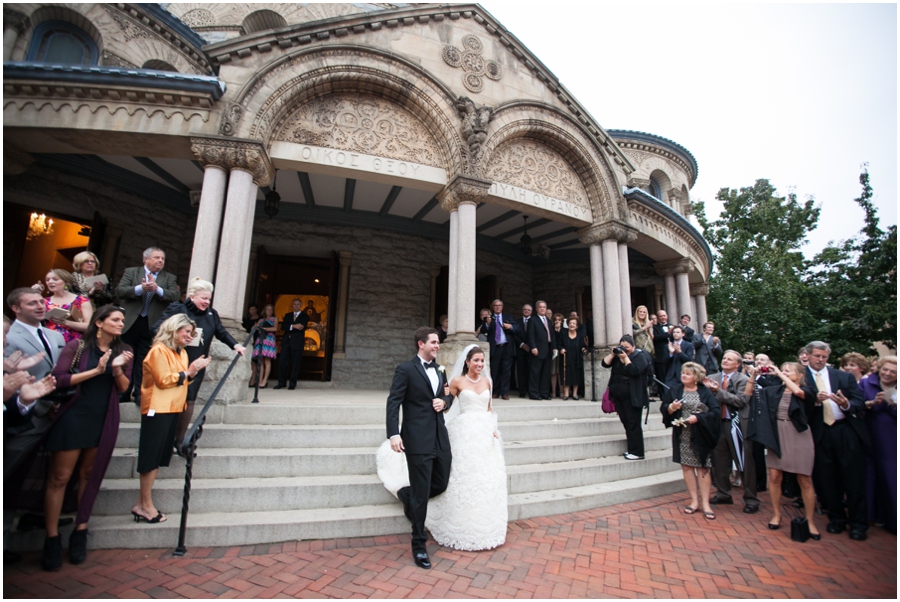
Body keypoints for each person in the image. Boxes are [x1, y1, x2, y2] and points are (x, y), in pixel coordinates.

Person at [44, 306, 134, 569]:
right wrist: (96, 370)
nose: (120, 323)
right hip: (74, 415)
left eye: (122, 320)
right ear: (99, 323)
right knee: (59, 477)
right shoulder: (77, 347)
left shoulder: (124, 349)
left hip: (104, 415)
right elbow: (59, 379)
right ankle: (51, 538)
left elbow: (124, 389)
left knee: (88, 474)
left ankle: (80, 530)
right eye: (115, 319)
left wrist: (117, 369)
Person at [419, 345, 507, 550]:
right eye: (476, 360)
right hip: (465, 431)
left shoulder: (487, 382)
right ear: (467, 362)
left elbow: (489, 408)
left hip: (484, 433)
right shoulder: (457, 381)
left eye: (482, 361)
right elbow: (449, 403)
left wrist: (494, 428)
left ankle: (487, 525)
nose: (480, 364)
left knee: (486, 478)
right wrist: (442, 400)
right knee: (464, 475)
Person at [384, 327, 453, 569]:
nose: (437, 346)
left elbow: (449, 396)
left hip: (439, 437)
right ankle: (419, 544)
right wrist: (393, 433)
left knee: (441, 482)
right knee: (422, 492)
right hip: (417, 439)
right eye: (433, 342)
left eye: (438, 343)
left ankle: (407, 495)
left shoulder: (440, 369)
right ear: (420, 344)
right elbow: (393, 402)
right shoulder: (405, 370)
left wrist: (444, 402)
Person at [132, 314, 210, 525]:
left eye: (191, 333)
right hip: (157, 408)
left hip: (173, 408)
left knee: (158, 457)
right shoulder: (158, 350)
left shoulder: (181, 353)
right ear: (173, 330)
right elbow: (164, 380)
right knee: (150, 457)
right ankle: (145, 505)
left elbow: (181, 379)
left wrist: (193, 371)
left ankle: (142, 504)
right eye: (186, 332)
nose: (189, 336)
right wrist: (190, 371)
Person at [153, 278, 245, 445]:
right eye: (203, 298)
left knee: (189, 400)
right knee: (173, 398)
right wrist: (179, 336)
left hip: (196, 364)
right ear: (192, 296)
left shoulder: (212, 314)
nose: (206, 302)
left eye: (209, 299)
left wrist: (236, 345)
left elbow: (222, 333)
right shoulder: (177, 309)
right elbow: (157, 329)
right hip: (175, 361)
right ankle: (163, 438)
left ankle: (180, 440)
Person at [745, 362, 820, 539]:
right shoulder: (775, 390)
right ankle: (776, 514)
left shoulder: (808, 390)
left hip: (798, 434)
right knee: (775, 476)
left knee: (804, 479)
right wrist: (752, 376)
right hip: (777, 434)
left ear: (799, 375)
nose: (784, 372)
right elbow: (748, 394)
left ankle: (810, 520)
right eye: (783, 369)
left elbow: (799, 393)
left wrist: (778, 373)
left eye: (788, 371)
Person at [805, 341, 868, 540]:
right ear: (808, 355)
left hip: (845, 431)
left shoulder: (843, 377)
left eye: (824, 357)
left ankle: (858, 523)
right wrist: (814, 401)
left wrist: (847, 404)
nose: (821, 360)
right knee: (828, 479)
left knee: (853, 478)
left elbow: (860, 402)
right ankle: (837, 519)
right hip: (820, 432)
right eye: (817, 356)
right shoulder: (801, 378)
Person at [4, 288, 66, 480]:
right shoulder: (8, 335)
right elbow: (8, 380)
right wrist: (35, 405)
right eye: (32, 303)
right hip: (26, 413)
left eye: (41, 302)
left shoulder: (56, 335)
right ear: (16, 308)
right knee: (9, 466)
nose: (40, 306)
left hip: (57, 406)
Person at [116, 247, 180, 405]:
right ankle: (123, 392)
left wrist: (157, 289)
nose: (160, 261)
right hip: (130, 322)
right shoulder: (131, 272)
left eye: (162, 259)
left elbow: (175, 295)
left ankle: (140, 393)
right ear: (145, 259)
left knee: (144, 360)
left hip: (152, 324)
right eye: (156, 258)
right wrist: (140, 289)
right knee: (127, 357)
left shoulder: (169, 277)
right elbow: (119, 291)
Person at [661, 362, 720, 520]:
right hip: (683, 434)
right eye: (683, 373)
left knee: (703, 467)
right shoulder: (675, 389)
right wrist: (671, 408)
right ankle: (694, 501)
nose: (684, 375)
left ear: (696, 377)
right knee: (687, 466)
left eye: (688, 373)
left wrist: (698, 418)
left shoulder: (704, 392)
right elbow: (664, 407)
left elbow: (715, 411)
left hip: (701, 434)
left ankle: (706, 503)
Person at [706, 350, 758, 513]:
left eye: (730, 359)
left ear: (738, 364)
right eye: (724, 358)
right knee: (719, 462)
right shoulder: (712, 378)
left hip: (736, 425)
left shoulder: (743, 380)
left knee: (744, 462)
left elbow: (741, 401)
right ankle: (723, 494)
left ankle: (751, 499)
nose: (725, 360)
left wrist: (717, 392)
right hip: (717, 425)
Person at [859, 356, 897, 534]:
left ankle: (892, 519)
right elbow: (856, 405)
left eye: (893, 372)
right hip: (870, 433)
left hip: (891, 437)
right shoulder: (866, 384)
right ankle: (871, 515)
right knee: (869, 473)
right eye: (885, 369)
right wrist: (870, 403)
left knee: (890, 475)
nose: (888, 374)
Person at [602, 335, 651, 460]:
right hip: (619, 395)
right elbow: (605, 364)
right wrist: (613, 354)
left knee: (633, 423)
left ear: (633, 346)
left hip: (633, 396)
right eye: (622, 347)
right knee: (626, 422)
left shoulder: (640, 356)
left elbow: (634, 371)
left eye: (627, 347)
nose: (624, 349)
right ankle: (632, 449)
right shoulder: (618, 356)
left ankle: (638, 452)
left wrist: (625, 358)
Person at [40, 269, 92, 343]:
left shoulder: (82, 300)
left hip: (73, 343)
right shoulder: (44, 301)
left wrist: (65, 322)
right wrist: (37, 293)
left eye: (55, 279)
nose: (50, 282)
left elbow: (89, 327)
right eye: (47, 280)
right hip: (50, 341)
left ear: (66, 282)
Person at [479, 299, 514, 400]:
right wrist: (487, 324)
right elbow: (483, 330)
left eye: (499, 305)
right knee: (495, 371)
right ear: (493, 307)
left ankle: (505, 393)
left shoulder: (508, 317)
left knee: (506, 371)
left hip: (506, 347)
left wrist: (510, 326)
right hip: (495, 348)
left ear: (502, 307)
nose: (498, 307)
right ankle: (495, 391)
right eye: (495, 306)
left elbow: (517, 328)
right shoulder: (489, 318)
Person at [275, 299, 309, 390]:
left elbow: (302, 327)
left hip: (297, 343)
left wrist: (290, 326)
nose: (296, 306)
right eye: (294, 304)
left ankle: (292, 384)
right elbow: (283, 327)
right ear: (292, 305)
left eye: (298, 304)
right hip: (286, 342)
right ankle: (281, 382)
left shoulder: (304, 316)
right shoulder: (287, 315)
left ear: (301, 305)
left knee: (295, 364)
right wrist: (294, 326)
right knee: (282, 362)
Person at [526, 300, 556, 400]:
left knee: (546, 373)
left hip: (548, 349)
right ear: (537, 309)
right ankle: (533, 393)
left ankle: (544, 393)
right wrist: (533, 347)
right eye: (540, 307)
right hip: (537, 350)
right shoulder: (533, 320)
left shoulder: (549, 321)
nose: (542, 309)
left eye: (544, 307)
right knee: (535, 373)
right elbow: (530, 335)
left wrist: (554, 347)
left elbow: (552, 335)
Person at [559, 316, 587, 400]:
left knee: (576, 376)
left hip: (577, 358)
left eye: (574, 323)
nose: (572, 325)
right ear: (567, 324)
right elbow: (559, 344)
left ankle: (575, 394)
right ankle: (566, 394)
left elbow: (583, 345)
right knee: (566, 376)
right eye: (570, 323)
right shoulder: (563, 333)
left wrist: (583, 349)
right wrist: (561, 349)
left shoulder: (580, 335)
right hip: (566, 358)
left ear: (577, 325)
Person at [251, 304, 278, 389]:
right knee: (260, 360)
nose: (269, 311)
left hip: (269, 339)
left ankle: (264, 380)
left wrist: (263, 328)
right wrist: (256, 326)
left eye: (271, 309)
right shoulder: (261, 320)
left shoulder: (275, 319)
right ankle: (259, 380)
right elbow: (254, 328)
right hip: (261, 339)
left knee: (267, 361)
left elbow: (275, 328)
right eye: (267, 309)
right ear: (264, 311)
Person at [512, 304, 533, 398]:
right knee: (521, 371)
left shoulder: (535, 321)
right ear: (522, 311)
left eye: (528, 310)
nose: (526, 311)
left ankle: (531, 390)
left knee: (532, 371)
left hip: (532, 350)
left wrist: (532, 346)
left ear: (531, 312)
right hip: (520, 350)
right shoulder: (517, 322)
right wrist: (522, 344)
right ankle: (522, 391)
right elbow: (514, 335)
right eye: (525, 309)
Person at [652, 310, 674, 389]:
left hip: (672, 356)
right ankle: (663, 396)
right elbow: (656, 338)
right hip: (660, 356)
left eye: (664, 315)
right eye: (661, 316)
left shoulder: (672, 327)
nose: (663, 317)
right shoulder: (654, 328)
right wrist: (668, 333)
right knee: (661, 377)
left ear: (667, 316)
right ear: (658, 318)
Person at [550, 313, 565, 398]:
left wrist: (559, 330)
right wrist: (555, 330)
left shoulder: (564, 330)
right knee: (553, 372)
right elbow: (552, 340)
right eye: (556, 320)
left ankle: (562, 392)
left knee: (561, 373)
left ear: (562, 321)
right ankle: (553, 391)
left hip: (562, 353)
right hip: (553, 353)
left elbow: (562, 341)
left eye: (559, 320)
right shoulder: (551, 329)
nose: (557, 321)